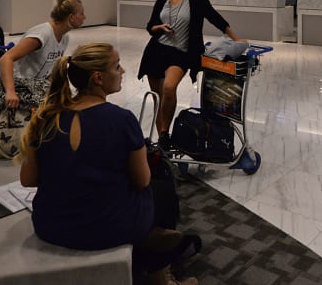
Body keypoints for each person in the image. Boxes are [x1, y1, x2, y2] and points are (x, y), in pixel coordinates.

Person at [17, 43, 197, 285]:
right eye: (117, 66)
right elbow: (141, 180)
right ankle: (159, 275)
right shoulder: (122, 120)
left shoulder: (46, 117)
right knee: (160, 189)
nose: (122, 71)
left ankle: (151, 245)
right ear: (98, 78)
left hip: (50, 225)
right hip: (106, 228)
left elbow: (27, 180)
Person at [137, 0, 244, 150]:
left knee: (169, 88)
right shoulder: (163, 0)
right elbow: (150, 26)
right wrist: (159, 27)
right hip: (156, 51)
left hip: (181, 53)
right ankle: (163, 137)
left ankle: (163, 135)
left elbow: (215, 17)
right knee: (157, 97)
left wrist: (237, 40)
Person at [0, 0, 86, 110]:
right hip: (18, 85)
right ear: (71, 17)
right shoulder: (42, 34)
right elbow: (6, 58)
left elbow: (50, 71)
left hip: (34, 87)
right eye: (81, 14)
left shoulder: (64, 38)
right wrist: (10, 92)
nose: (84, 17)